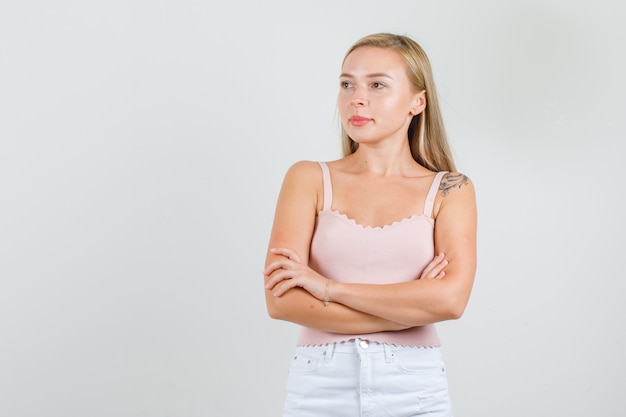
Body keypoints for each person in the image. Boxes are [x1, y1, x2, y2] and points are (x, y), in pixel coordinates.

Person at [263, 33, 477, 417]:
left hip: (414, 387)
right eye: (347, 84)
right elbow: (281, 301)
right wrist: (411, 305)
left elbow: (450, 301)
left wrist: (328, 288)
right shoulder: (308, 178)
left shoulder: (450, 189)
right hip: (319, 387)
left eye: (377, 85)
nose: (356, 98)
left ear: (418, 101)